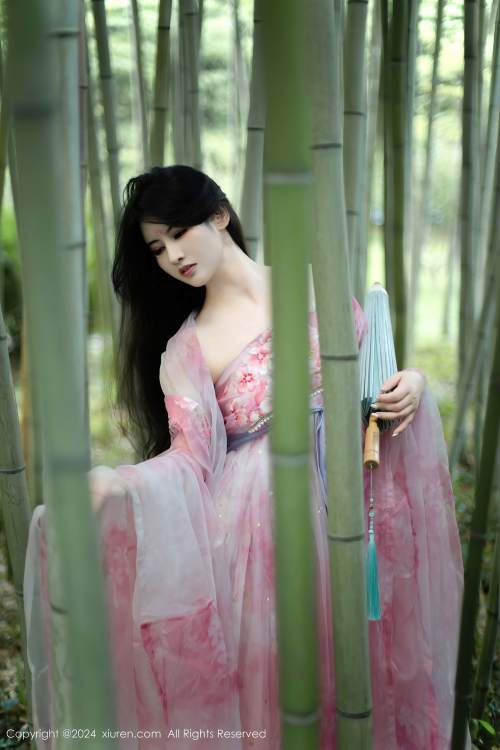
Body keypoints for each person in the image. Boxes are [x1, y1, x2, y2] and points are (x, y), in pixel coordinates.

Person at [23, 165, 469, 749]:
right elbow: (190, 460)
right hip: (261, 534)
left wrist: (410, 382)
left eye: (178, 232)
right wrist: (120, 482)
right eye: (157, 249)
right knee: (284, 691)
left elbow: (368, 383)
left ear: (218, 214)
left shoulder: (316, 283)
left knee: (359, 669)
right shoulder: (188, 347)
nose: (172, 256)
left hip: (350, 498)